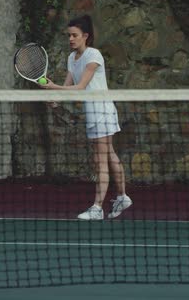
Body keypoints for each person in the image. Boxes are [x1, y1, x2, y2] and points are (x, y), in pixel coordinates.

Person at [40, 15, 132, 220]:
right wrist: (56, 100)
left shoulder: (93, 55)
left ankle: (97, 207)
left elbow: (81, 87)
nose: (71, 39)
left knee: (101, 159)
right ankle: (123, 196)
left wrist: (54, 87)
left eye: (75, 35)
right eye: (69, 36)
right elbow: (69, 88)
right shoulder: (71, 59)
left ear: (86, 36)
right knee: (109, 154)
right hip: (94, 113)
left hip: (102, 111)